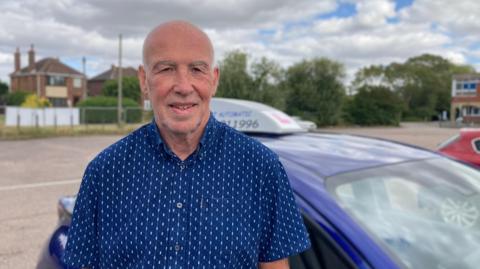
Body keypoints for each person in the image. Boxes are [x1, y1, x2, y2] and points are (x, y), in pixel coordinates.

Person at [62, 20, 310, 269]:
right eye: (166, 68)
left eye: (196, 69)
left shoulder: (261, 167)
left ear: (213, 80)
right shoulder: (105, 172)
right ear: (143, 80)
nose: (182, 86)